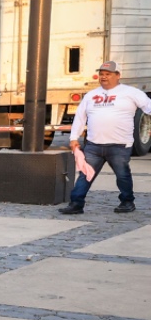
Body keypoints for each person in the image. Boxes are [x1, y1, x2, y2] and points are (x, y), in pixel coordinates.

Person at [60, 60, 151, 215]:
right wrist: (74, 138)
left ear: (118, 75)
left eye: (108, 74)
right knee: (85, 175)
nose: (104, 77)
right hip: (94, 145)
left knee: (122, 176)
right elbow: (80, 117)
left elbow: (149, 107)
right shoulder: (91, 95)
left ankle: (127, 202)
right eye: (101, 74)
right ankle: (76, 204)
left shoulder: (131, 93)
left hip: (119, 145)